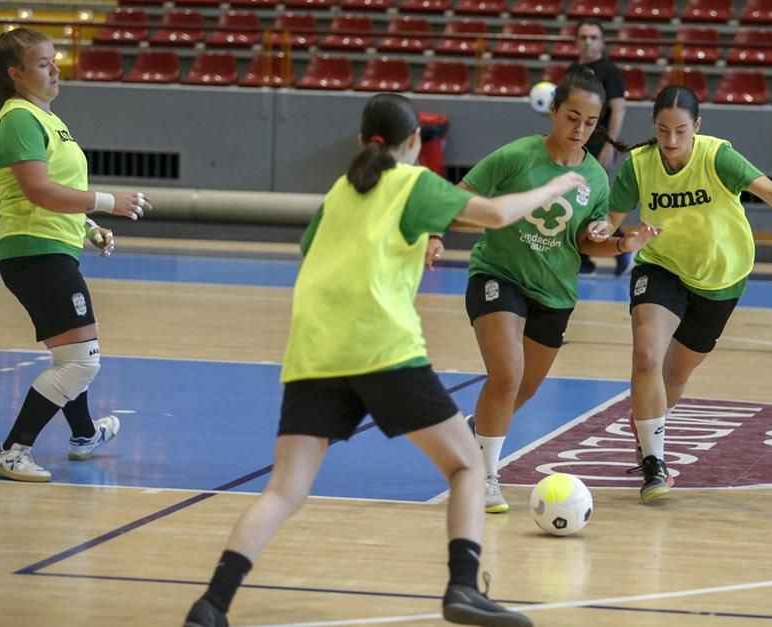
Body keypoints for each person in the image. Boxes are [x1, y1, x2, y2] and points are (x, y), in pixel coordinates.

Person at [183, 93, 585, 627]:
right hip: (382, 350)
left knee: (282, 491)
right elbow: (493, 214)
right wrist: (557, 186)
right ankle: (463, 588)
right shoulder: (411, 183)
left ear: (360, 141)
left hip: (314, 354)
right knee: (467, 466)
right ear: (416, 141)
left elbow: (314, 253)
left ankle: (211, 605)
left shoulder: (339, 191)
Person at [607, 86, 772, 502]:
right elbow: (608, 222)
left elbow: (769, 190)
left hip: (722, 277)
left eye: (681, 130)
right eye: (663, 130)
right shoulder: (639, 166)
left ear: (697, 127)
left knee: (675, 375)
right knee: (646, 358)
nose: (672, 141)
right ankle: (654, 462)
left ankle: (646, 420)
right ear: (653, 127)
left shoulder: (717, 156)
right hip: (661, 267)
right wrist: (604, 235)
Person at [456, 68, 660, 514]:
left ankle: (477, 433)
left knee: (522, 389)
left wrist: (624, 242)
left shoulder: (596, 177)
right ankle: (485, 477)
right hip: (498, 274)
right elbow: (457, 198)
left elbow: (587, 242)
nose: (580, 130)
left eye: (590, 122)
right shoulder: (517, 156)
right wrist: (449, 228)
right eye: (572, 118)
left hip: (555, 291)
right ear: (552, 110)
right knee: (506, 376)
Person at [0, 28, 150, 482]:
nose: (55, 68)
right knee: (81, 361)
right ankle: (12, 450)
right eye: (43, 63)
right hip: (35, 254)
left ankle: (83, 434)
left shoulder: (45, 117)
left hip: (52, 248)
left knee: (71, 358)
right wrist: (106, 202)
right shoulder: (19, 118)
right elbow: (38, 191)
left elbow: (59, 191)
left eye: (54, 60)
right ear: (15, 74)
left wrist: (89, 228)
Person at [573, 19, 630, 276]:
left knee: (589, 201)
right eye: (584, 37)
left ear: (602, 41)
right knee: (576, 201)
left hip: (597, 146)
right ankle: (586, 260)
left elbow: (618, 108)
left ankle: (621, 247)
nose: (588, 42)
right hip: (574, 145)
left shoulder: (609, 71)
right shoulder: (572, 70)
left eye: (593, 37)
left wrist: (609, 144)